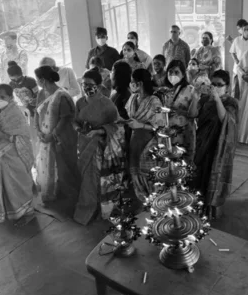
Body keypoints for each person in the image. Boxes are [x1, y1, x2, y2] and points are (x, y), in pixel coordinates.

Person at [73, 70, 125, 225]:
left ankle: (96, 209)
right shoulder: (80, 102)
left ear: (99, 85)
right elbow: (75, 120)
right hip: (84, 144)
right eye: (83, 84)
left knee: (95, 179)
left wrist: (98, 131)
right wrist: (77, 128)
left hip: (100, 147)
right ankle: (89, 207)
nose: (86, 88)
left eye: (90, 85)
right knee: (86, 179)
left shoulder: (106, 103)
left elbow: (115, 126)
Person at [0, 84, 36, 226]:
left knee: (18, 182)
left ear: (10, 97)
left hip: (14, 152)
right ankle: (12, 211)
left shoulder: (15, 112)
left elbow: (24, 135)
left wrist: (3, 135)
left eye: (2, 97)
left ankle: (27, 211)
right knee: (5, 184)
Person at [191, 70, 238, 220]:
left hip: (219, 145)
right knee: (199, 172)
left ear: (227, 87)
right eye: (213, 84)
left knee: (213, 172)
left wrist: (217, 99)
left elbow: (227, 120)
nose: (216, 87)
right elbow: (193, 115)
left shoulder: (231, 102)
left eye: (220, 85)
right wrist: (194, 98)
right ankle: (198, 204)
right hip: (201, 142)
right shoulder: (205, 100)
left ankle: (211, 208)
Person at [34, 65, 80, 206]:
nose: (37, 82)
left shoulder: (62, 95)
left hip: (61, 138)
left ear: (43, 79)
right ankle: (53, 192)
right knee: (48, 167)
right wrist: (38, 130)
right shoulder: (41, 93)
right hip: (45, 137)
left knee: (64, 169)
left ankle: (71, 199)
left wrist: (52, 136)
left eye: (38, 79)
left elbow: (65, 119)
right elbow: (37, 112)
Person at [125, 69, 164, 200]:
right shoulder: (133, 98)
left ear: (140, 83)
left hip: (148, 142)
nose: (131, 84)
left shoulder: (154, 101)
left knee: (149, 175)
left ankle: (155, 202)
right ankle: (144, 201)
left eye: (132, 82)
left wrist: (140, 125)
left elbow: (160, 126)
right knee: (136, 173)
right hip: (134, 141)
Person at [162, 59, 197, 160]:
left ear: (183, 74)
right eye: (170, 72)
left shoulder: (190, 90)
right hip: (169, 133)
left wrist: (180, 112)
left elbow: (194, 114)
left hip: (185, 132)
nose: (173, 75)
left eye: (176, 72)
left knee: (183, 163)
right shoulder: (164, 91)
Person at [229, 19, 248, 99]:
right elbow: (232, 52)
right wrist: (237, 61)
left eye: (247, 29)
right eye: (244, 29)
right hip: (237, 70)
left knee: (247, 93)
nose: (246, 31)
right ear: (241, 30)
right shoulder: (237, 40)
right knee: (235, 92)